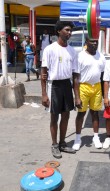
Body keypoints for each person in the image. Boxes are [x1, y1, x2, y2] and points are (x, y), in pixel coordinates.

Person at [41, 21, 78, 159]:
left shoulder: (73, 51)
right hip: (54, 85)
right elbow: (43, 72)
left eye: (70, 31)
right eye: (67, 30)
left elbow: (75, 75)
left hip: (66, 85)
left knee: (66, 115)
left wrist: (77, 95)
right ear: (58, 31)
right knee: (54, 117)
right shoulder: (50, 49)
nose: (69, 33)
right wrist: (44, 94)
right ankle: (54, 144)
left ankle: (62, 143)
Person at [72, 37, 106, 151]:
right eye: (92, 41)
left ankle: (96, 137)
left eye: (96, 42)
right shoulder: (80, 56)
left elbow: (102, 75)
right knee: (81, 114)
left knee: (95, 113)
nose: (94, 43)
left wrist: (104, 93)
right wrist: (76, 96)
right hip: (83, 87)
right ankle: (78, 138)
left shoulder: (101, 56)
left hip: (96, 87)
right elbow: (75, 77)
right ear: (86, 43)